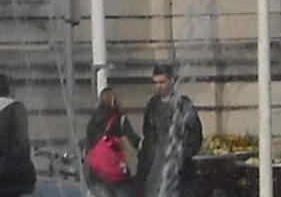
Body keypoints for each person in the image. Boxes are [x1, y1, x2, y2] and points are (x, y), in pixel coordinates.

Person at [137, 63, 202, 197]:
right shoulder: (152, 106)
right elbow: (148, 138)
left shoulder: (183, 105)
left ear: (171, 80)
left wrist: (184, 153)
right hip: (155, 168)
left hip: (179, 169)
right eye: (156, 83)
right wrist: (143, 168)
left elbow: (195, 134)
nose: (159, 86)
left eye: (162, 82)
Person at [84, 88, 139, 193]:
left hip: (98, 175)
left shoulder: (92, 121)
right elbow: (133, 140)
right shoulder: (119, 119)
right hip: (119, 175)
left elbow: (89, 148)